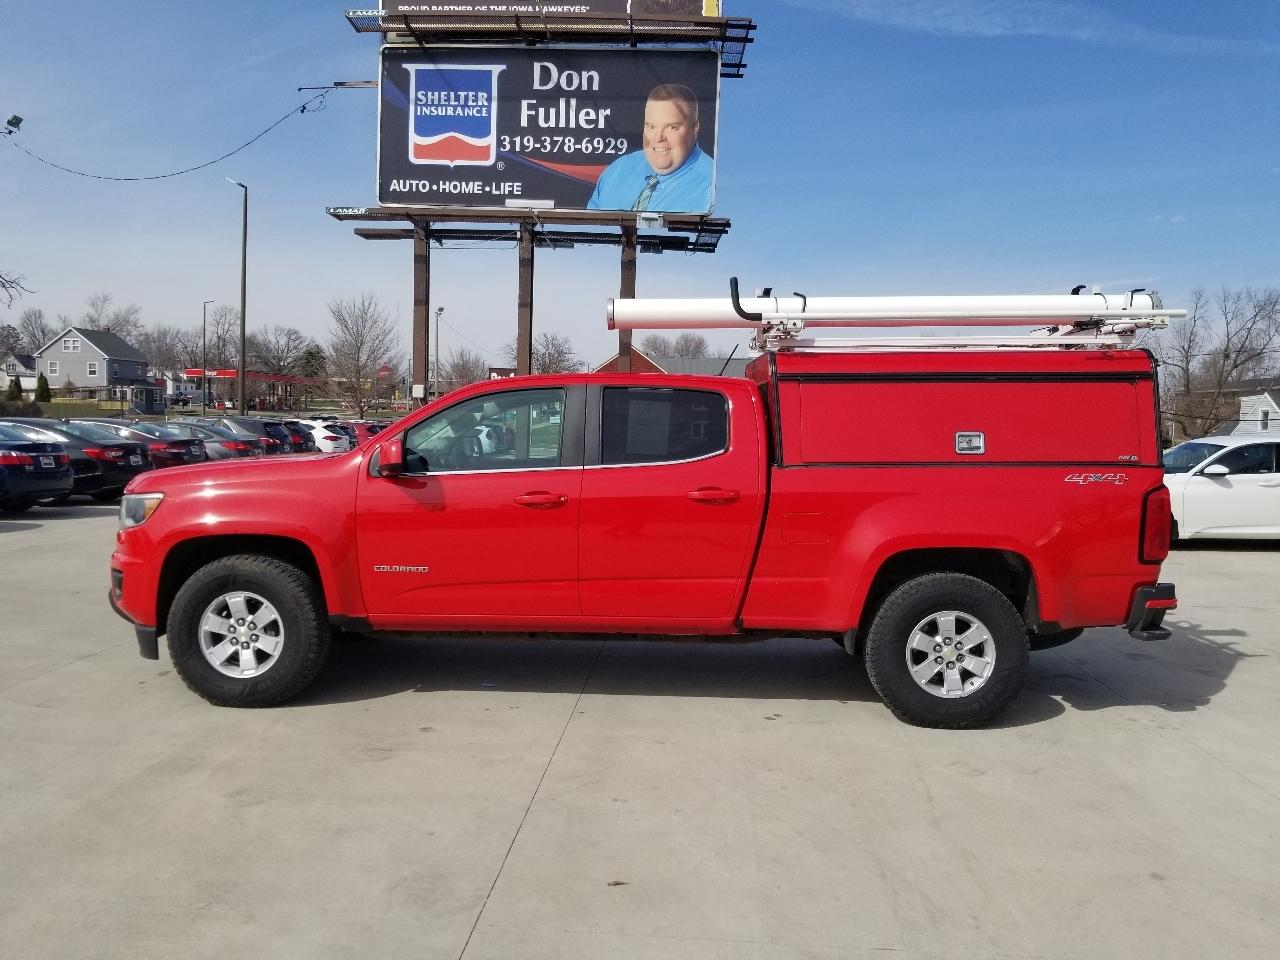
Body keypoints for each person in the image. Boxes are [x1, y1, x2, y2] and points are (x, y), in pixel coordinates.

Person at [587, 83, 713, 214]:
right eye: (651, 127)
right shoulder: (617, 171)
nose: (658, 138)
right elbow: (589, 228)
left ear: (695, 128)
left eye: (672, 127)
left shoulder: (711, 188)